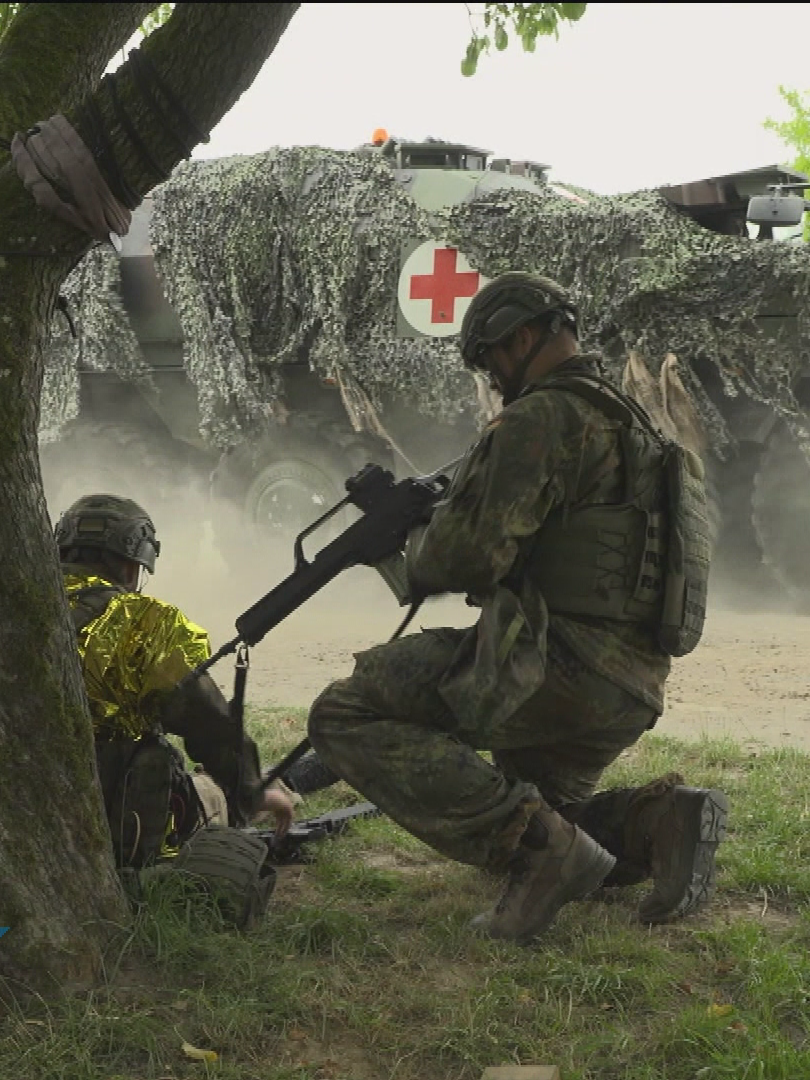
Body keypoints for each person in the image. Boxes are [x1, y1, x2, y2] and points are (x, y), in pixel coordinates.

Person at [306, 273, 729, 943]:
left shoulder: (541, 418)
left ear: (523, 338)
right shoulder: (636, 424)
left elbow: (465, 559)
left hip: (552, 670)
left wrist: (413, 537)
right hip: (629, 688)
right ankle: (660, 823)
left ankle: (542, 851)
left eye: (489, 360)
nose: (491, 379)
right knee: (551, 812)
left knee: (344, 710)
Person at [53, 495, 293, 870]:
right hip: (113, 828)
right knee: (211, 794)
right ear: (133, 567)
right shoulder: (145, 626)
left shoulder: (3, 607)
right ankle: (282, 791)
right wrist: (253, 790)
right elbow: (210, 726)